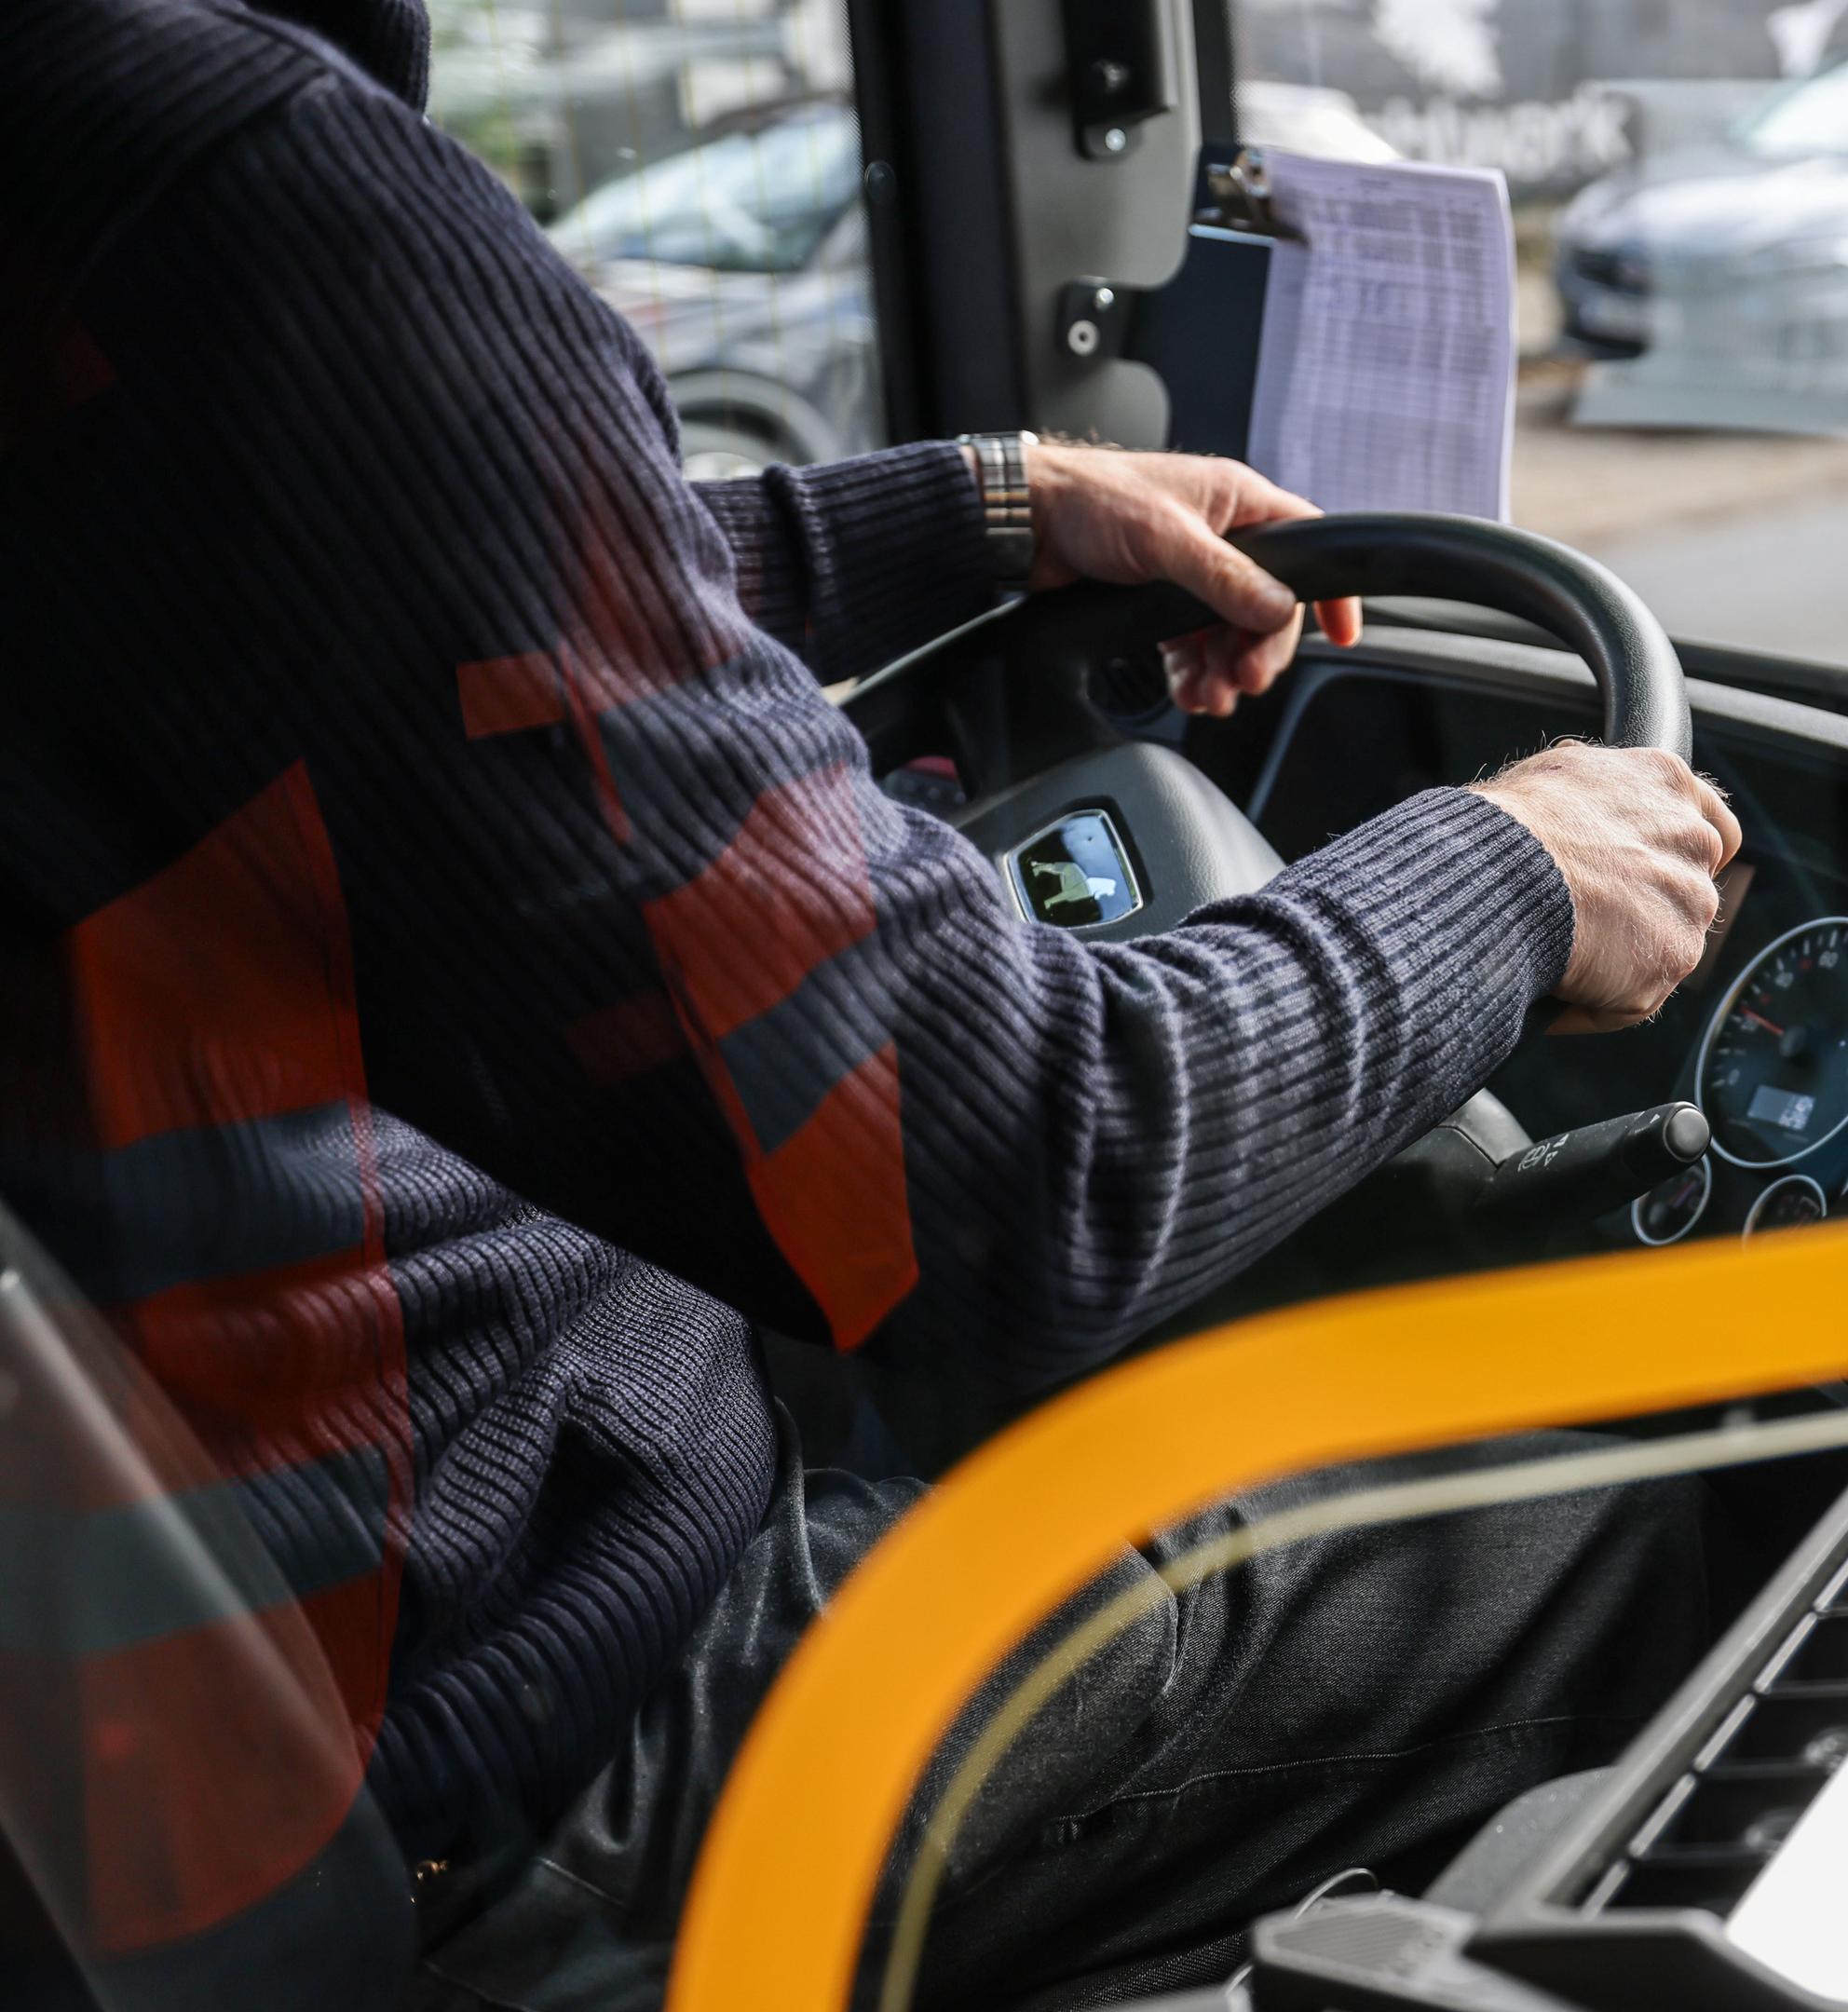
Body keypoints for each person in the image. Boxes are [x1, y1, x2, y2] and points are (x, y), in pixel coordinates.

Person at [0, 0, 1740, 2004]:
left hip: (245, 1663)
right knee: (1624, 1467)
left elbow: (370, 605)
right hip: (515, 1748)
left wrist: (977, 509)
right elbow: (1039, 1167)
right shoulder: (214, 174)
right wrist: (1516, 873)